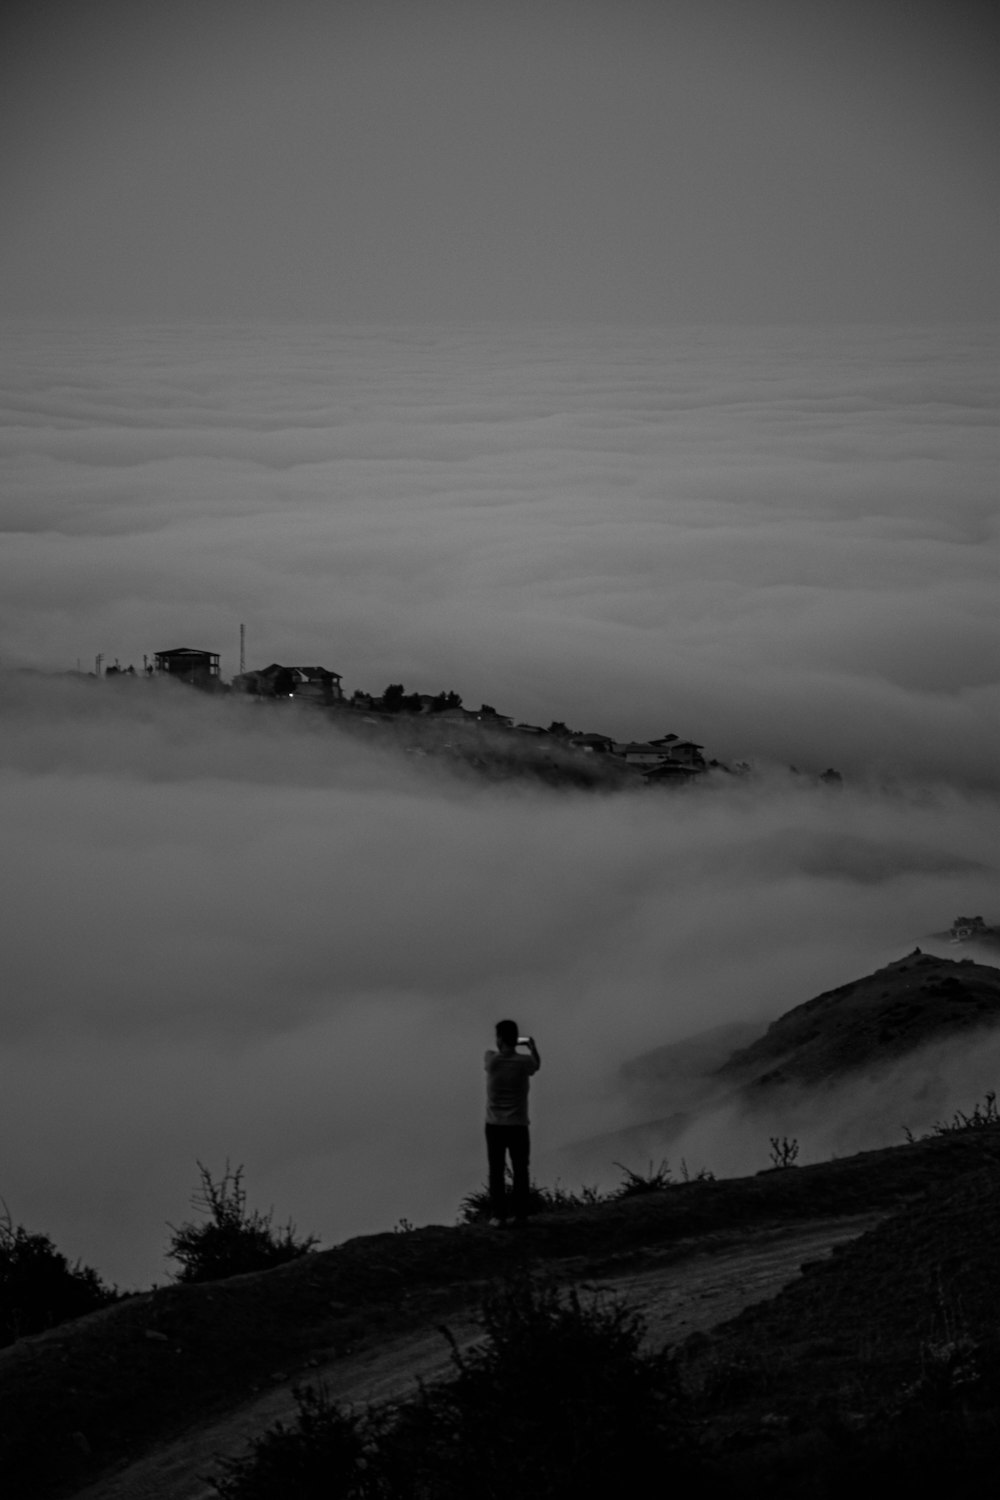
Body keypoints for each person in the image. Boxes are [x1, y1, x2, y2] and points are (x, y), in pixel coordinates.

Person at [484, 1020, 541, 1224]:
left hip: (494, 1125)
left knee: (496, 1170)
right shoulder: (524, 1062)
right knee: (520, 1170)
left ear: (499, 1038)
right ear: (516, 1040)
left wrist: (504, 1045)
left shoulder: (491, 1060)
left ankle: (498, 1216)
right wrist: (532, 1047)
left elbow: (493, 1054)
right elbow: (537, 1065)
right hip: (518, 1124)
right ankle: (521, 1215)